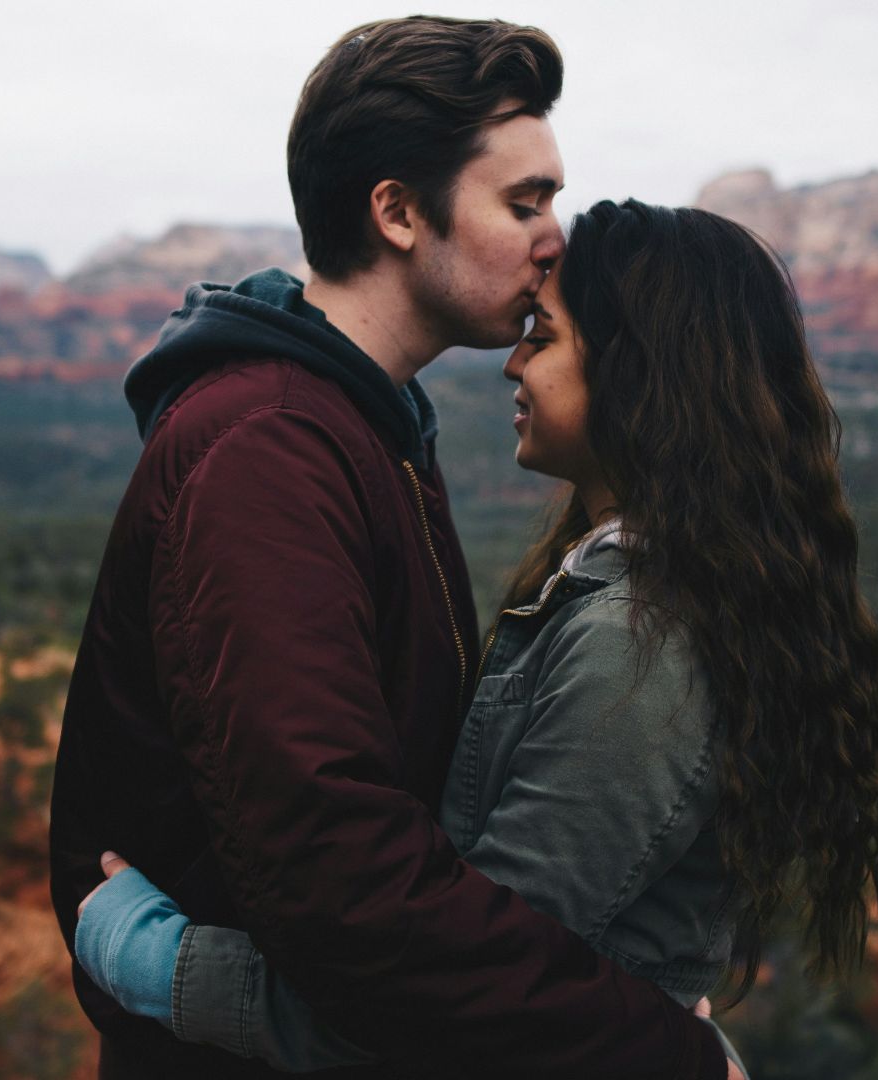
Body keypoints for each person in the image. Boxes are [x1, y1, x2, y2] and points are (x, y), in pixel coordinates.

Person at [47, 17, 744, 1080]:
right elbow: (345, 883)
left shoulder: (372, 424)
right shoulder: (272, 449)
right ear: (399, 212)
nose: (555, 236)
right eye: (524, 202)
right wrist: (661, 1051)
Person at [74, 199, 878, 1074]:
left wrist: (167, 966)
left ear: (642, 376)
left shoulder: (639, 646)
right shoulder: (623, 594)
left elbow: (454, 1003)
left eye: (543, 338)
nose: (513, 362)